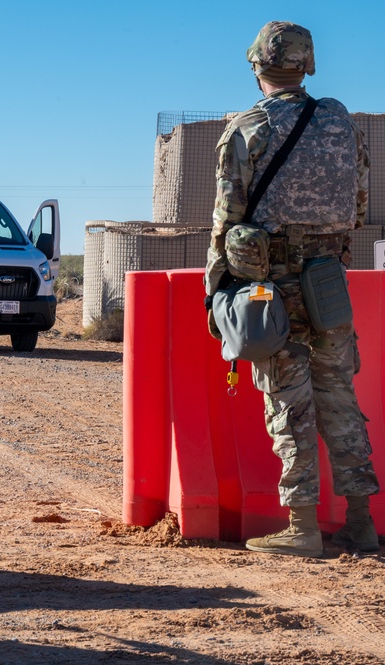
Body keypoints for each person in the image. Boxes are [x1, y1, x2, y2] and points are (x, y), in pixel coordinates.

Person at [204, 22, 379, 557]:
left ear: (256, 66)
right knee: (339, 398)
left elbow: (226, 220)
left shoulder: (247, 128)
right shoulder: (342, 124)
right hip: (327, 282)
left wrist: (216, 291)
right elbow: (359, 207)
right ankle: (361, 524)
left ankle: (302, 528)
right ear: (308, 66)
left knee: (290, 401)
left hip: (271, 287)